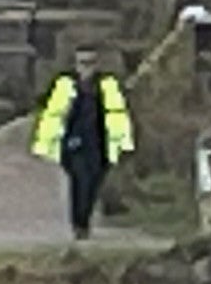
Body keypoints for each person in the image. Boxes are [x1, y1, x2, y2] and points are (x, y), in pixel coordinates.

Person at [30, 47, 134, 238]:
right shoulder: (65, 85)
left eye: (90, 63)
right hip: (73, 143)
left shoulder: (107, 85)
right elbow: (52, 115)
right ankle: (79, 223)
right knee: (80, 182)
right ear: (76, 64)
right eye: (82, 63)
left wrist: (124, 143)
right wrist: (44, 143)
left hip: (100, 143)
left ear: (97, 64)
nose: (86, 68)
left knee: (93, 183)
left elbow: (119, 115)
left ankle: (83, 219)